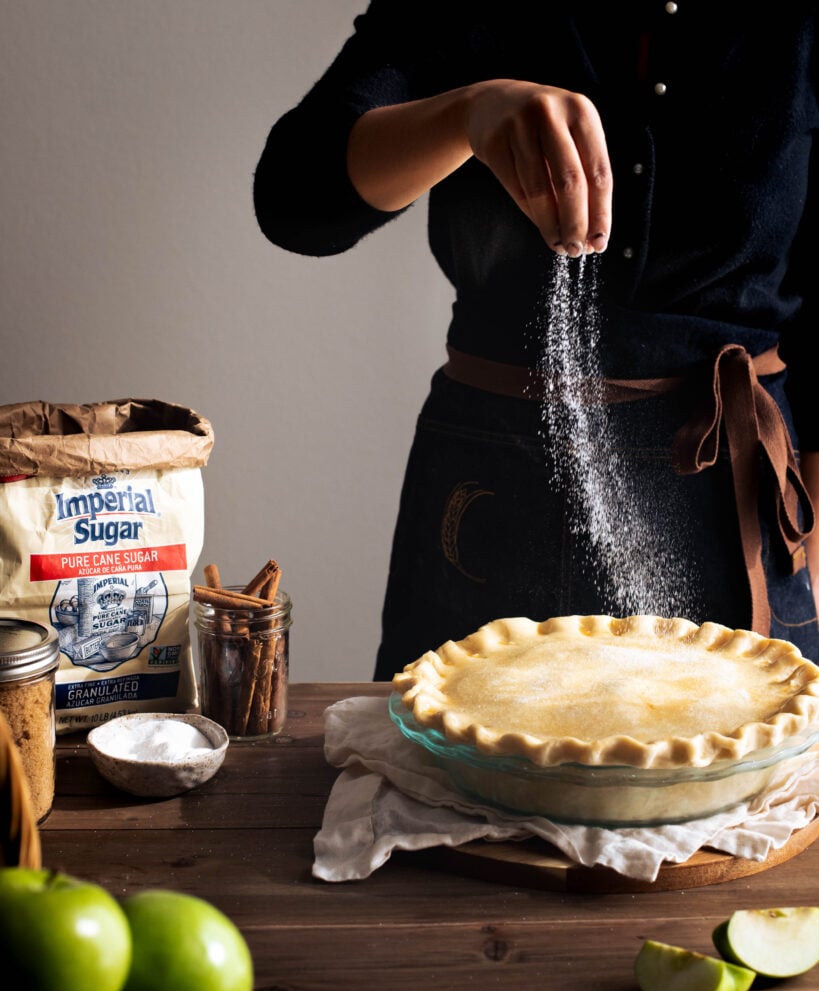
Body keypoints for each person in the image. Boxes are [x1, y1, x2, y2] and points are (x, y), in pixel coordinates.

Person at [254, 1, 819, 678]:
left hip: (739, 493)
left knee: (741, 777)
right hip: (492, 483)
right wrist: (467, 113)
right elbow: (295, 202)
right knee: (442, 774)